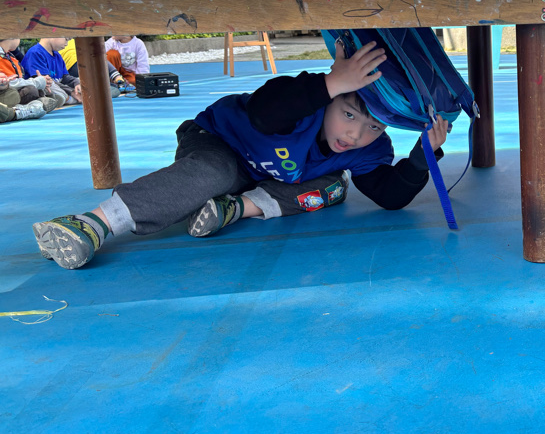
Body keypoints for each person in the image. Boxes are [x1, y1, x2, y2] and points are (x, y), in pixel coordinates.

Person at [32, 42, 451, 269]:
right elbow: (264, 114)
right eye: (348, 114)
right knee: (214, 172)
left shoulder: (370, 149)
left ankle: (234, 209)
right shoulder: (305, 99)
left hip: (260, 181)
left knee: (334, 187)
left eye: (374, 126)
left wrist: (422, 157)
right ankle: (93, 223)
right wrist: (331, 82)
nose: (356, 135)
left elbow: (388, 196)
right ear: (332, 97)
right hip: (217, 143)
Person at [60, 40, 129, 97]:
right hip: (82, 60)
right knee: (99, 58)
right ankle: (117, 79)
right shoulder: (73, 40)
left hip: (76, 63)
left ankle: (111, 83)